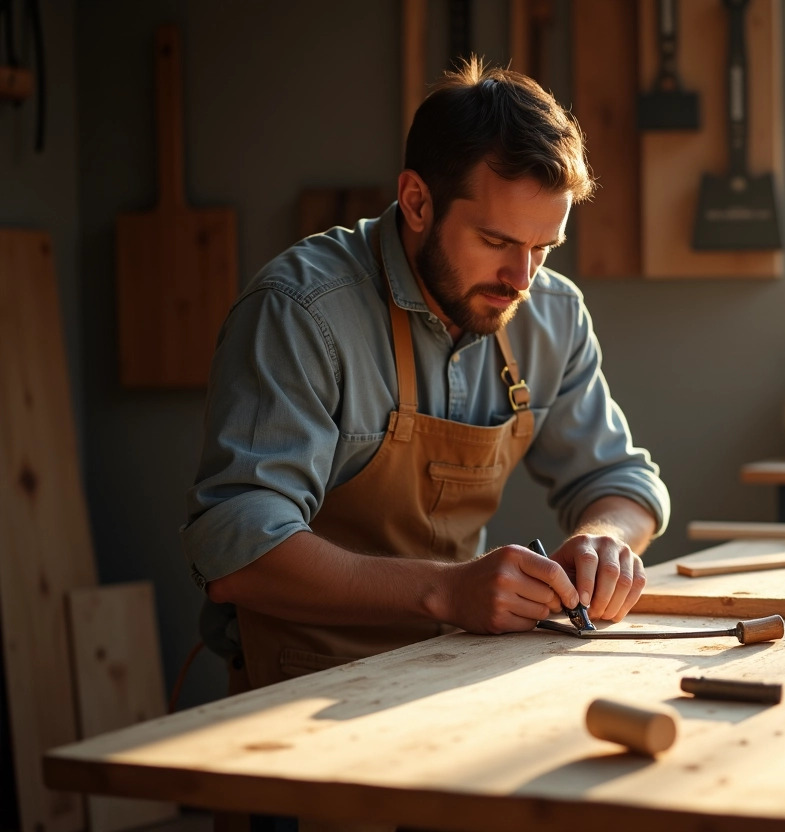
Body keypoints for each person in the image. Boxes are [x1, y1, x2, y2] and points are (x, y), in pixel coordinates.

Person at [182, 58, 670, 690]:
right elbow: (237, 549)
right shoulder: (300, 311)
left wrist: (604, 541)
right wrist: (445, 590)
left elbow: (621, 480)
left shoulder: (549, 311)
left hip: (455, 671)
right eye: (496, 242)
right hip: (301, 684)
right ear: (416, 201)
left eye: (544, 248)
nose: (522, 279)